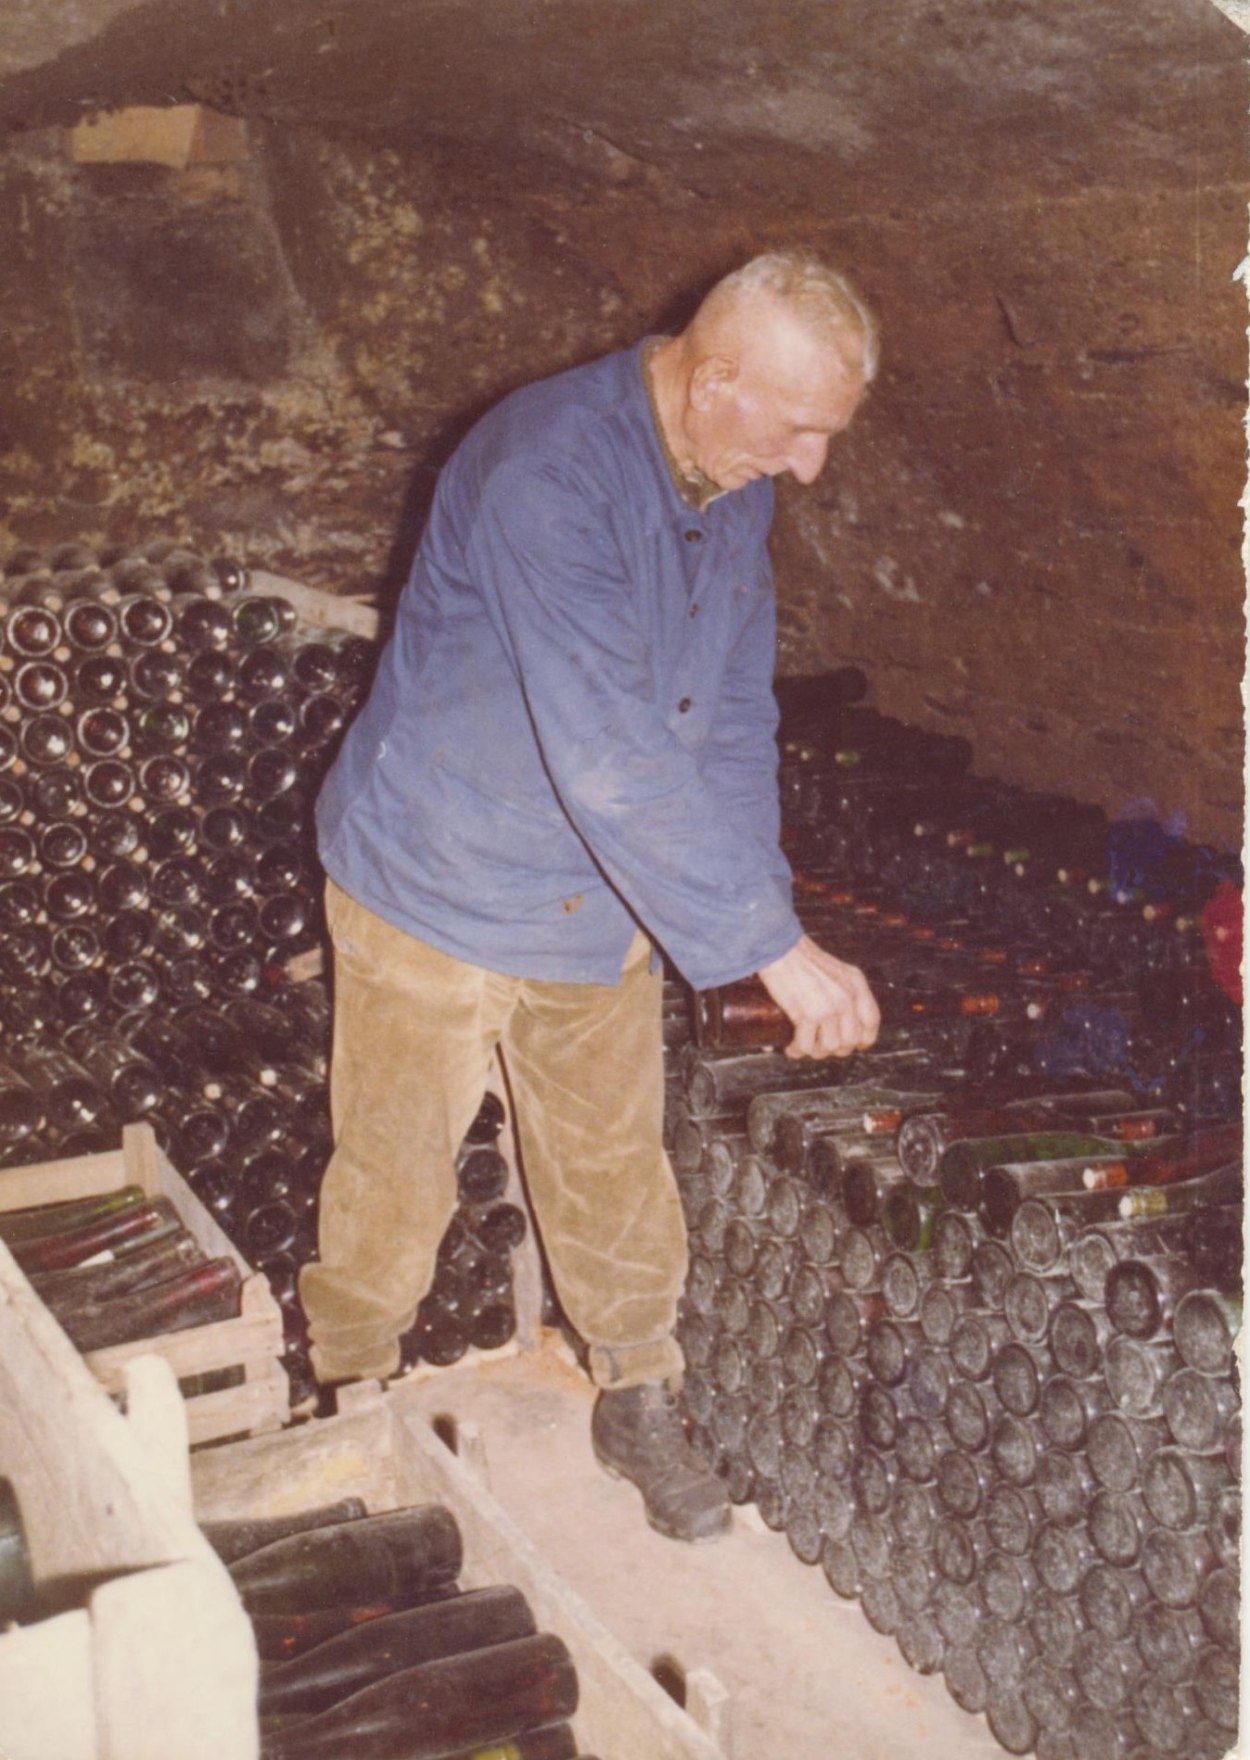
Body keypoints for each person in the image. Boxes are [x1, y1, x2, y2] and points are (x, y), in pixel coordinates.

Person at [301, 248, 881, 1542]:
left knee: (613, 1163)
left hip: (587, 900)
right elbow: (608, 747)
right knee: (394, 1172)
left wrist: (762, 915)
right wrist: (764, 946)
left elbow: (727, 719)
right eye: (796, 431)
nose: (808, 467)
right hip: (433, 881)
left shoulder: (728, 487)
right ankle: (349, 1390)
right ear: (716, 376)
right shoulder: (543, 472)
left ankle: (635, 1392)